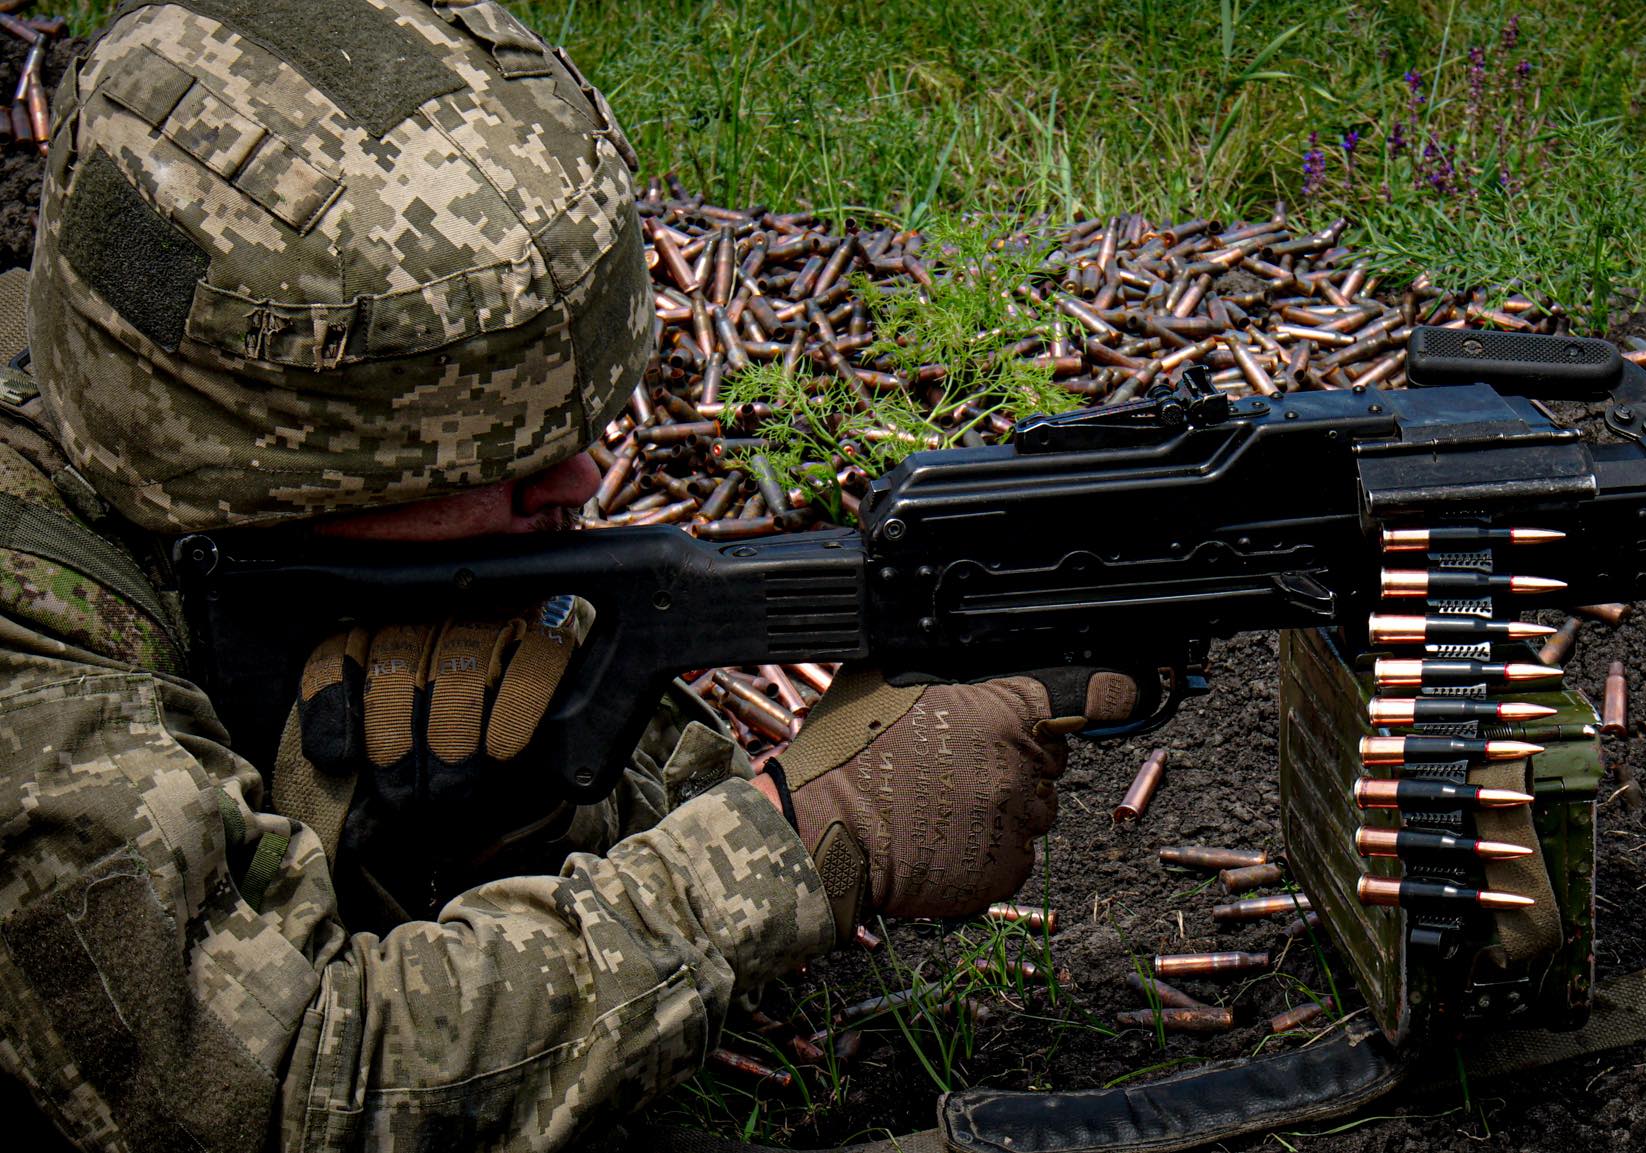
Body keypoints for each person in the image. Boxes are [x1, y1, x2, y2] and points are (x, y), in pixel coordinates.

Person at [0, 2, 1132, 1149]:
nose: (583, 477)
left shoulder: (172, 415)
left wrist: (517, 811)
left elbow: (662, 790)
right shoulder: (26, 665)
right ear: (269, 483)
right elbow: (271, 1095)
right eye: (499, 460)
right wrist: (806, 835)